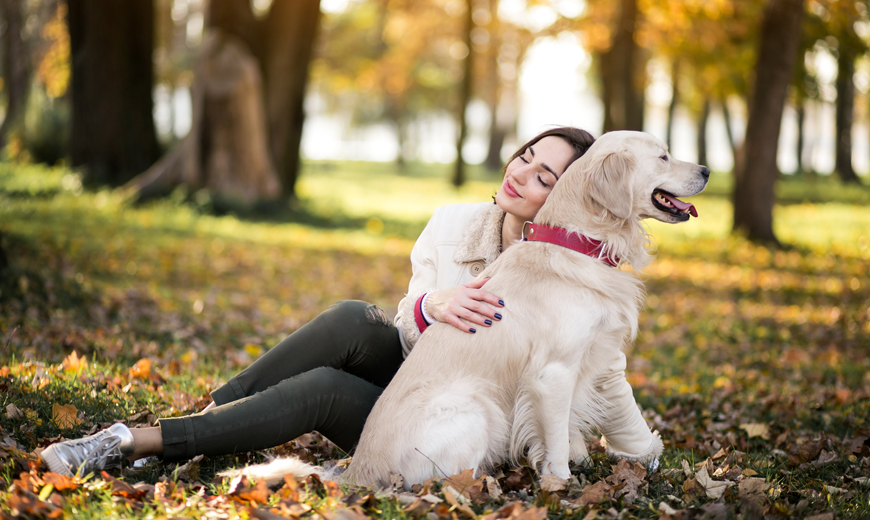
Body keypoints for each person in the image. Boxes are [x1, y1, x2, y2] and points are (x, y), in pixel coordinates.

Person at [40, 126, 661, 478]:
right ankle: (215, 415)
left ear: (566, 194)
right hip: (420, 375)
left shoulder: (566, 271)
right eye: (525, 156)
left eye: (546, 176)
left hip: (465, 422)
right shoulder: (453, 224)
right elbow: (411, 332)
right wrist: (431, 306)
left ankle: (133, 442)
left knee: (326, 390)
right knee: (349, 318)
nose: (521, 174)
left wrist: (643, 452)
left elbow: (598, 370)